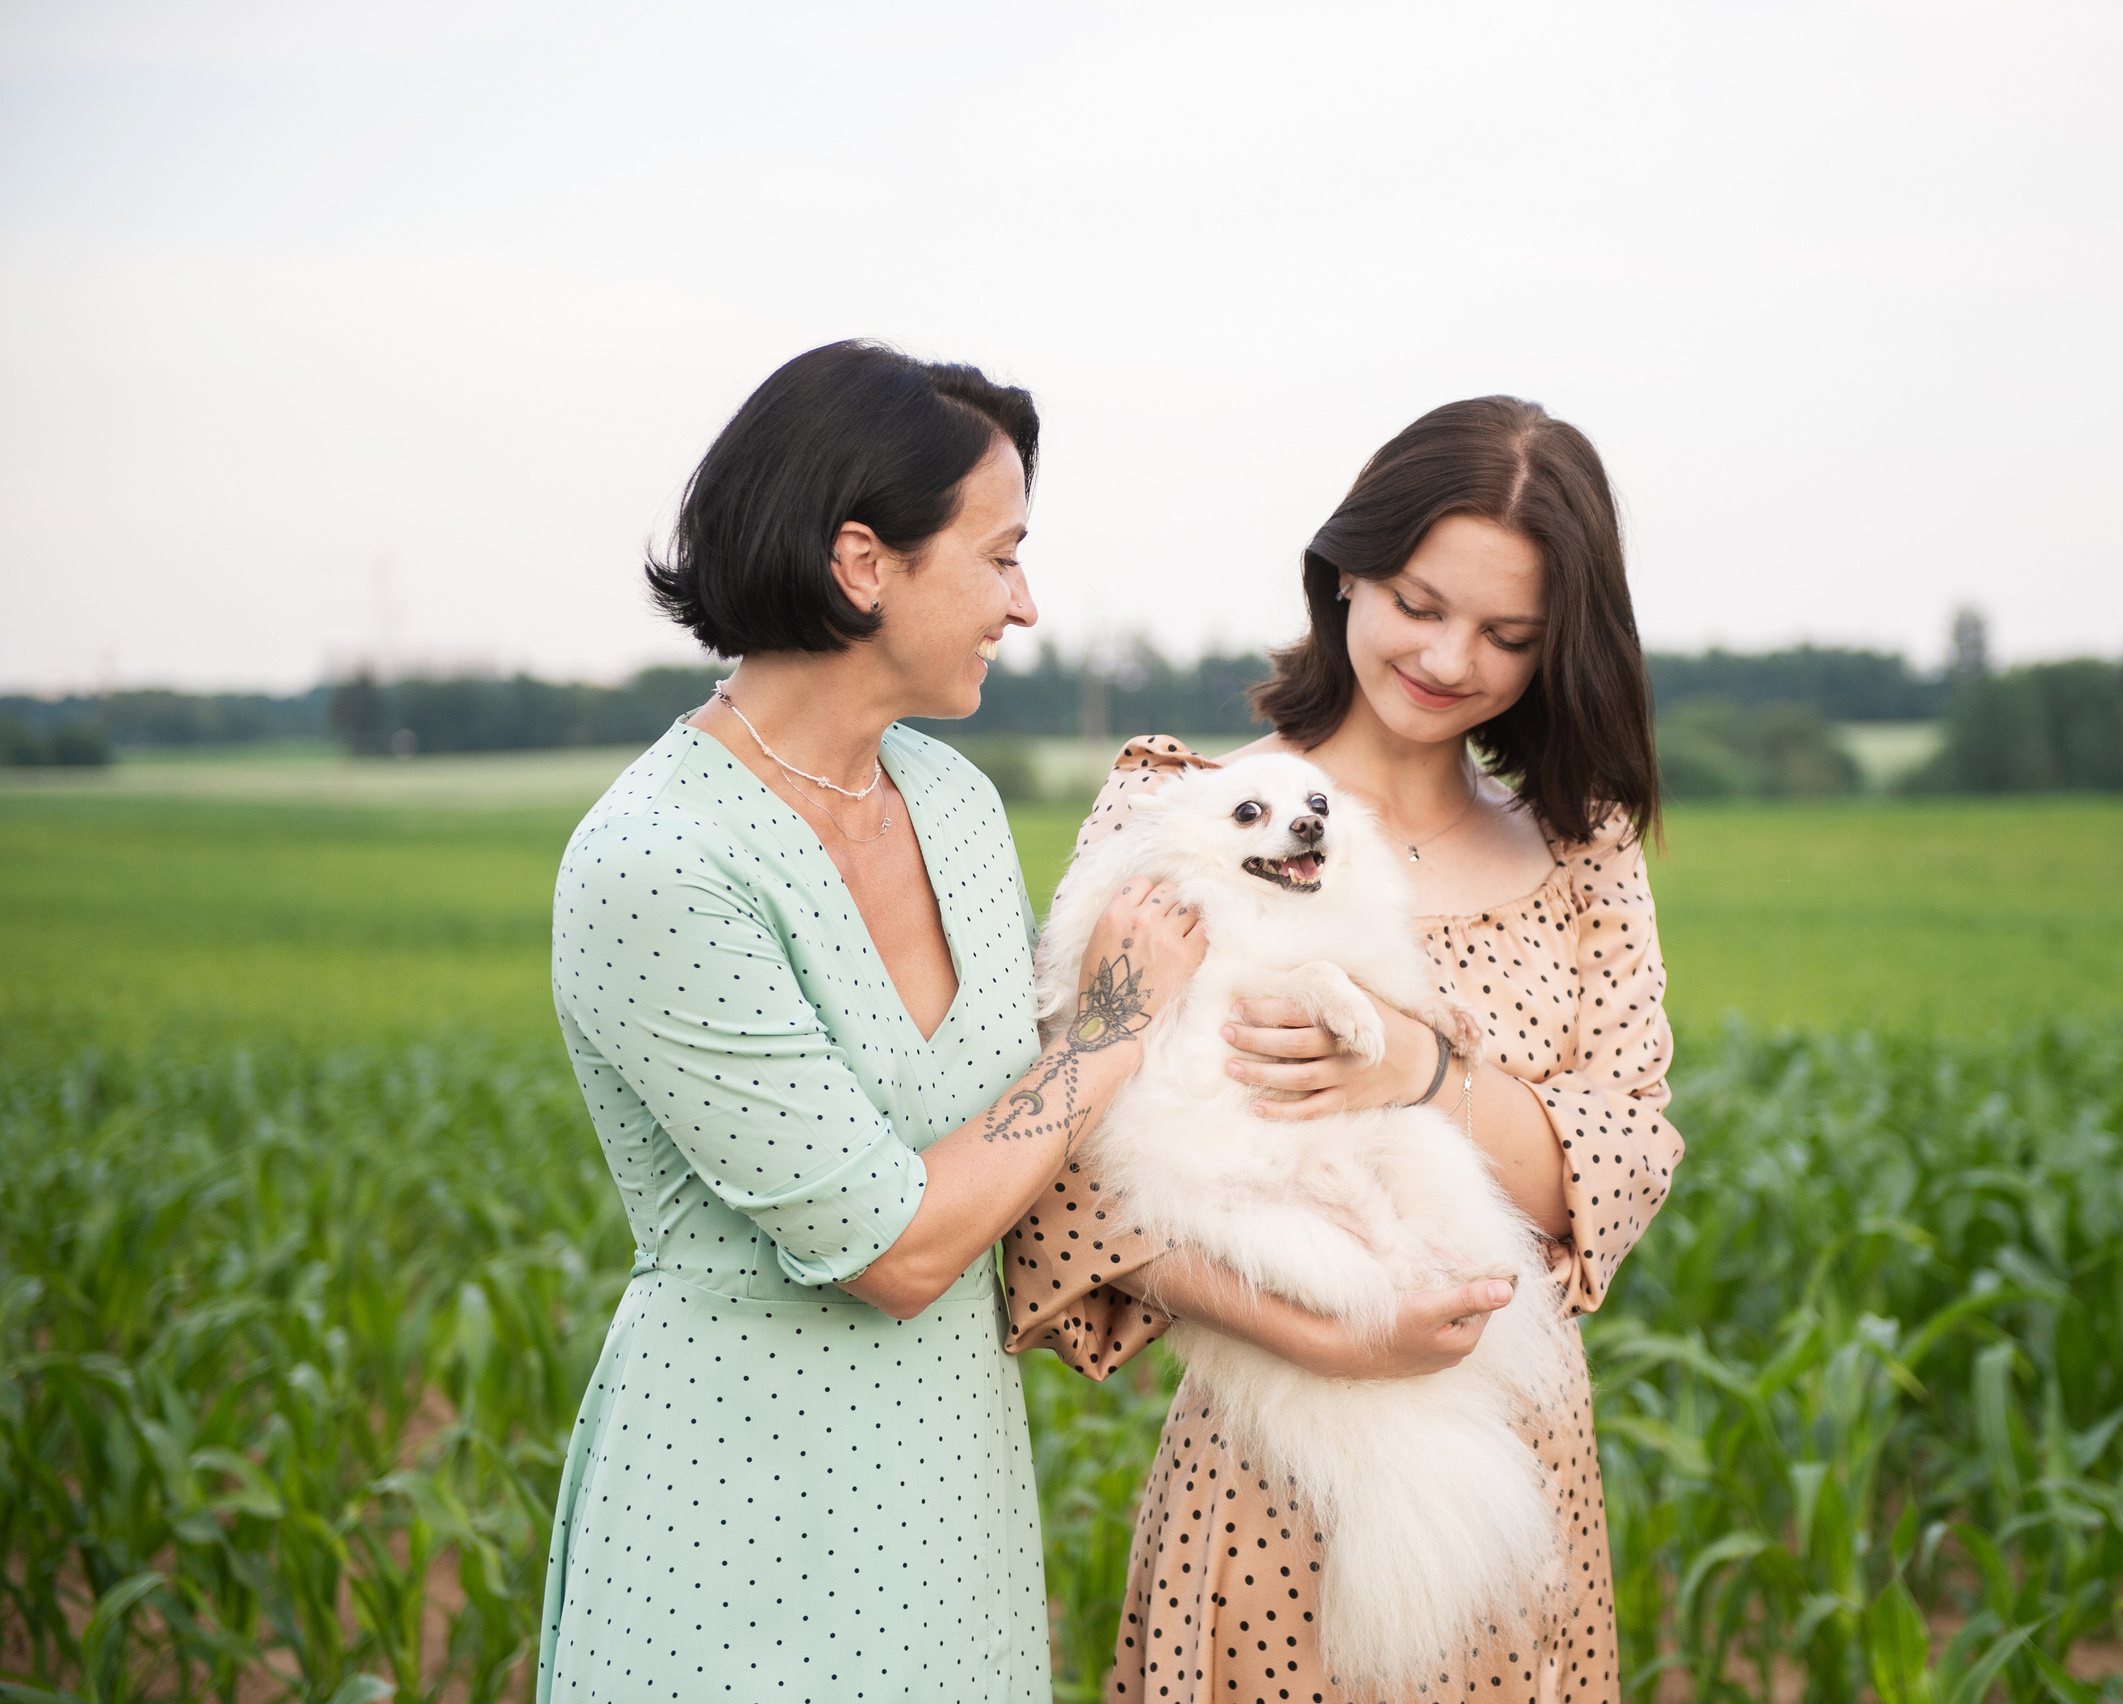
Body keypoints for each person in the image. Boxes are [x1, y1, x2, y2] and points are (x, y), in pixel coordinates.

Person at [537, 341, 1206, 1701]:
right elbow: (892, 1250)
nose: (1024, 604)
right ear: (863, 564)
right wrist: (1112, 1032)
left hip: (952, 1493)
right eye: (1000, 557)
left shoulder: (954, 803)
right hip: (735, 1509)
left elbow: (1030, 1154)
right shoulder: (659, 862)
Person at [1003, 396, 1682, 1701]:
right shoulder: (1185, 810)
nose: (1449, 657)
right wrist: (1337, 1340)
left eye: (1510, 635)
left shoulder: (1583, 851)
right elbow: (1078, 1171)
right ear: (1347, 573)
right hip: (1277, 1468)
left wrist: (1418, 1071)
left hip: (1518, 1457)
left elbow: (1617, 1165)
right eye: (1419, 603)